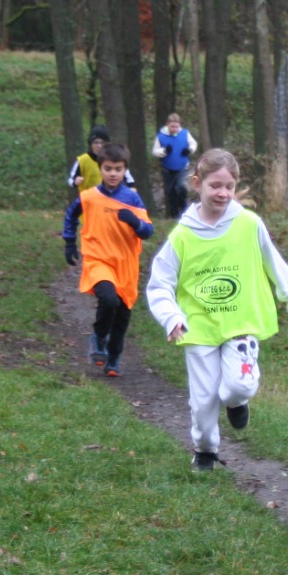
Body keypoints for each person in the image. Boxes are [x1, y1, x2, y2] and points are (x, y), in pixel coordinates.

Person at [146, 148, 288, 471]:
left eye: (229, 186)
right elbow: (160, 283)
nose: (222, 193)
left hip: (240, 321)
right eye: (215, 185)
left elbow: (273, 260)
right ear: (197, 183)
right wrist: (171, 317)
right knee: (203, 399)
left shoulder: (249, 224)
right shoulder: (183, 235)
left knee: (238, 386)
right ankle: (205, 451)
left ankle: (238, 402)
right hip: (199, 326)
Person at [63, 142, 154, 377]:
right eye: (108, 168)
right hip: (98, 259)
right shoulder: (90, 197)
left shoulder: (132, 199)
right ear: (100, 168)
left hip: (125, 264)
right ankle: (98, 336)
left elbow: (148, 231)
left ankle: (113, 357)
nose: (113, 173)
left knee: (122, 316)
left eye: (118, 169)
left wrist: (135, 222)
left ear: (125, 170)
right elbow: (71, 215)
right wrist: (69, 241)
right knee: (109, 299)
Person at [151, 113, 198, 218]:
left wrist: (189, 150)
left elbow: (193, 144)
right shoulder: (161, 136)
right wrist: (164, 151)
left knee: (181, 187)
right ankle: (174, 216)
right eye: (172, 127)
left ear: (179, 125)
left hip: (182, 168)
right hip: (167, 170)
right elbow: (155, 151)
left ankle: (185, 211)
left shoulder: (185, 133)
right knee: (170, 193)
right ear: (167, 124)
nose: (174, 129)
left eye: (176, 127)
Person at [67, 125, 112, 194]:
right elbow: (71, 179)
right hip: (88, 198)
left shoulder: (113, 159)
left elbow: (127, 179)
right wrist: (74, 182)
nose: (99, 146)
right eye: (96, 142)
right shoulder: (82, 160)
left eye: (102, 142)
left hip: (108, 198)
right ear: (91, 144)